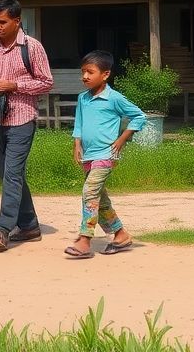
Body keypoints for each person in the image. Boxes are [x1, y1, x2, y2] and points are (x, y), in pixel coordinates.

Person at [0, 0, 54, 252]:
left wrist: (14, 85)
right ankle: (29, 225)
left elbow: (46, 82)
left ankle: (3, 229)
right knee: (4, 173)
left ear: (17, 21)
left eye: (2, 22)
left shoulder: (32, 47)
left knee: (12, 173)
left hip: (22, 118)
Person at [68, 50, 145, 259]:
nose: (85, 76)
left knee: (89, 193)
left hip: (106, 155)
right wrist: (77, 143)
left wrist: (122, 139)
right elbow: (80, 123)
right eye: (83, 72)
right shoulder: (83, 98)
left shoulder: (114, 98)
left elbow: (139, 116)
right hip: (89, 155)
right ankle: (121, 235)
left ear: (105, 74)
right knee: (100, 200)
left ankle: (85, 240)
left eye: (90, 72)